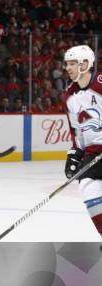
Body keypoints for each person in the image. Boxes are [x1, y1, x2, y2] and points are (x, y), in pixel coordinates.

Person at [62, 45, 102, 238]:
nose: (67, 68)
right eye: (66, 64)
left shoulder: (101, 83)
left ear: (85, 64)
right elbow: (77, 131)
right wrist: (74, 154)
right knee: (87, 187)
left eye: (72, 64)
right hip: (94, 153)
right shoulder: (70, 96)